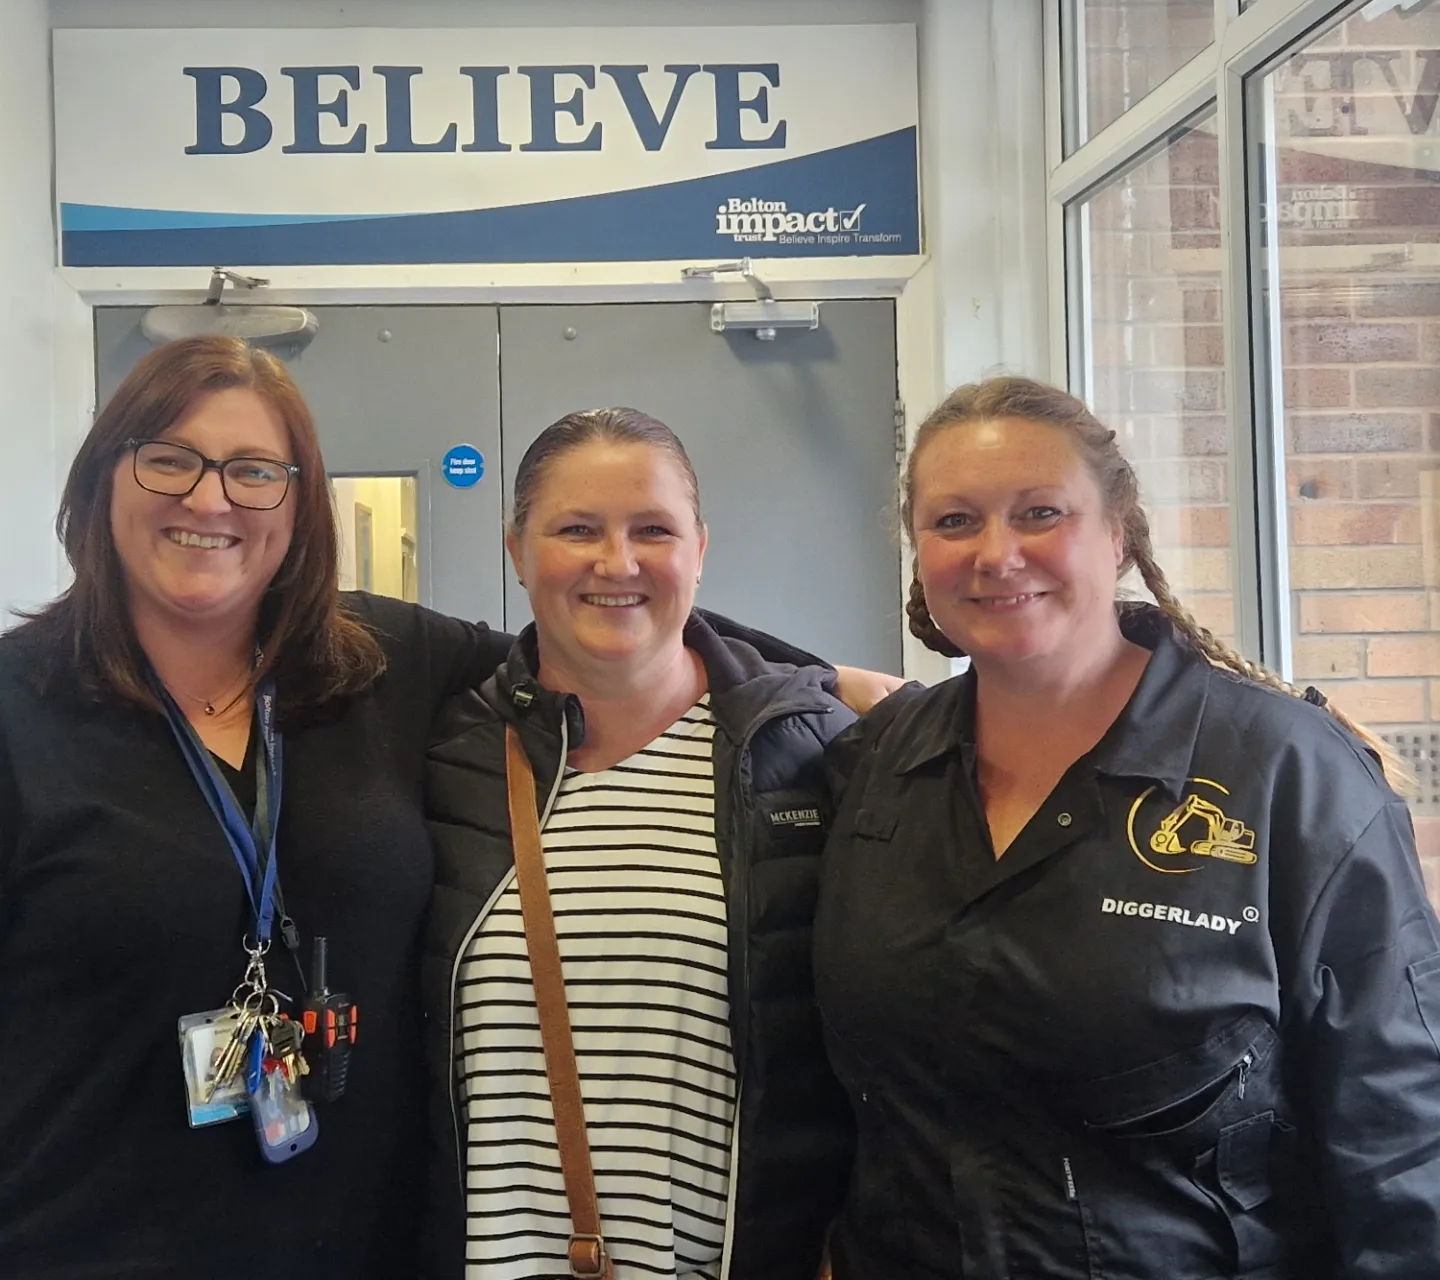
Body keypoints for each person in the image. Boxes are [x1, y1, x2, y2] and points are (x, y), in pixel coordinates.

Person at [0, 336, 892, 1279]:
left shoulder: (372, 658)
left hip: (368, 1250)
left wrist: (813, 680)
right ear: (101, 480)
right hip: (85, 1242)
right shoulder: (20, 710)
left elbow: (597, 626)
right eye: (169, 459)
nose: (210, 499)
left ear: (298, 504)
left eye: (254, 471)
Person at [813, 375, 1440, 1280]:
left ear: (1118, 534)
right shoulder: (875, 766)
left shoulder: (1285, 774)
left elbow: (1400, 1133)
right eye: (955, 522)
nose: (997, 553)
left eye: (1040, 513)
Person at [421, 408, 856, 1280]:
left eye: (653, 530)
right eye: (577, 530)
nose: (617, 563)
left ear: (700, 548)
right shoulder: (441, 755)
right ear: (517, 551)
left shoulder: (804, 755)